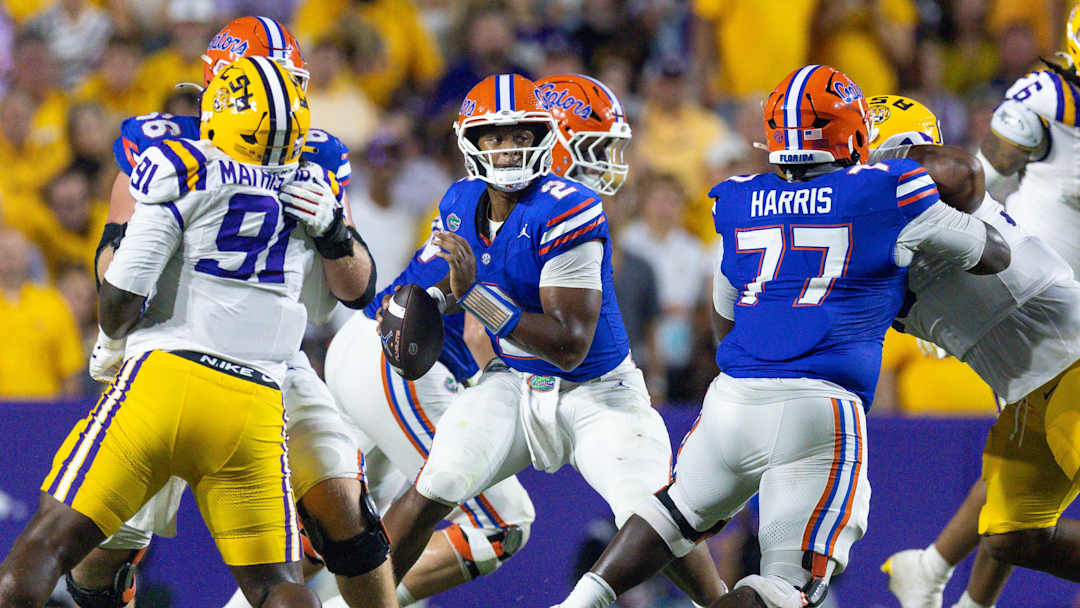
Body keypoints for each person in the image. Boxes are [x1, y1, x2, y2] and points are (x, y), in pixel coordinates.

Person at [552, 64, 1010, 608]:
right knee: (791, 589)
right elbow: (994, 253)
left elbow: (724, 316)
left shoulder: (738, 197)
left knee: (673, 513)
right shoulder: (888, 190)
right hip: (822, 406)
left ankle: (578, 603)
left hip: (733, 397)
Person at [0, 55, 351, 608]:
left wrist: (112, 338)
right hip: (256, 400)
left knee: (46, 545)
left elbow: (120, 296)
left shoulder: (181, 164)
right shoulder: (314, 186)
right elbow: (328, 302)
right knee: (276, 585)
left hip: (163, 380)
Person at [74, 16, 397, 608]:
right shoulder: (164, 149)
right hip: (166, 351)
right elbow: (112, 269)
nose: (284, 95)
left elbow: (357, 290)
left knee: (348, 514)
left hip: (276, 357)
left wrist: (330, 231)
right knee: (102, 557)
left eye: (290, 80)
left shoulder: (317, 157)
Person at [378, 73, 726, 608]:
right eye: (495, 137)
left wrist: (472, 297)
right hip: (515, 382)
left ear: (544, 138)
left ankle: (719, 602)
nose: (509, 149)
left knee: (651, 512)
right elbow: (444, 283)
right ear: (469, 143)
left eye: (521, 135)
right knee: (435, 484)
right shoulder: (460, 199)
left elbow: (569, 344)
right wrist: (422, 305)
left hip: (596, 392)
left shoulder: (569, 207)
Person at [315, 72, 639, 608]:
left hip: (376, 350)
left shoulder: (513, 203)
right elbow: (479, 327)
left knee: (342, 523)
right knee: (500, 519)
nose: (605, 163)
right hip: (410, 360)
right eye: (594, 147)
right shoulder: (541, 209)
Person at [875, 96, 1080, 608]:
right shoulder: (858, 234)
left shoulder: (936, 184)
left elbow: (960, 169)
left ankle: (930, 573)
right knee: (1012, 535)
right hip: (1026, 389)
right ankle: (933, 576)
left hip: (1072, 356)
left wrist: (877, 172)